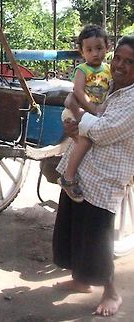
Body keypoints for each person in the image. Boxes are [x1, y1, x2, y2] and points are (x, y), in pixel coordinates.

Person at [52, 34, 134, 317]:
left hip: (106, 175)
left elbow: (103, 130)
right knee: (75, 227)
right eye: (118, 59)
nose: (120, 65)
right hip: (86, 168)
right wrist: (77, 118)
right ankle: (81, 280)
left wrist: (78, 121)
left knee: (97, 235)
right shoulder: (113, 85)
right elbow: (85, 106)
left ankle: (112, 292)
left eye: (129, 62)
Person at [58, 25, 111, 202]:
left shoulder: (108, 70)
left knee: (91, 142)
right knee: (86, 141)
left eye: (99, 48)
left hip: (93, 114)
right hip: (75, 111)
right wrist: (94, 109)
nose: (95, 53)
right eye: (89, 50)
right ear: (82, 52)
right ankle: (68, 177)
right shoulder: (83, 69)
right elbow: (78, 92)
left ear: (107, 48)